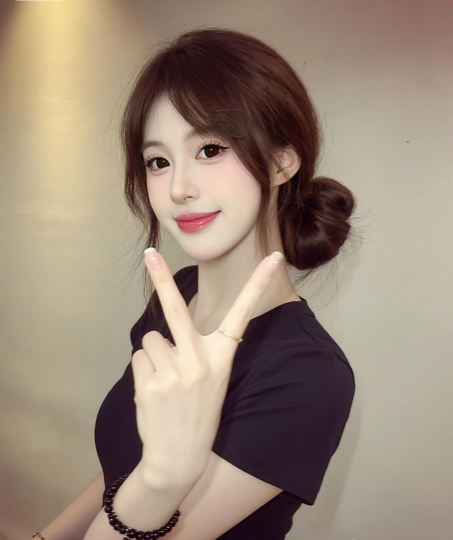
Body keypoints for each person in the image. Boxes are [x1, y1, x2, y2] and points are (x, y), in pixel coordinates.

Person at [34, 27, 357, 540]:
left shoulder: (311, 377)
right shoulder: (179, 294)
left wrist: (163, 478)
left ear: (281, 161)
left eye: (209, 149)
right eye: (158, 161)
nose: (179, 188)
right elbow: (118, 476)